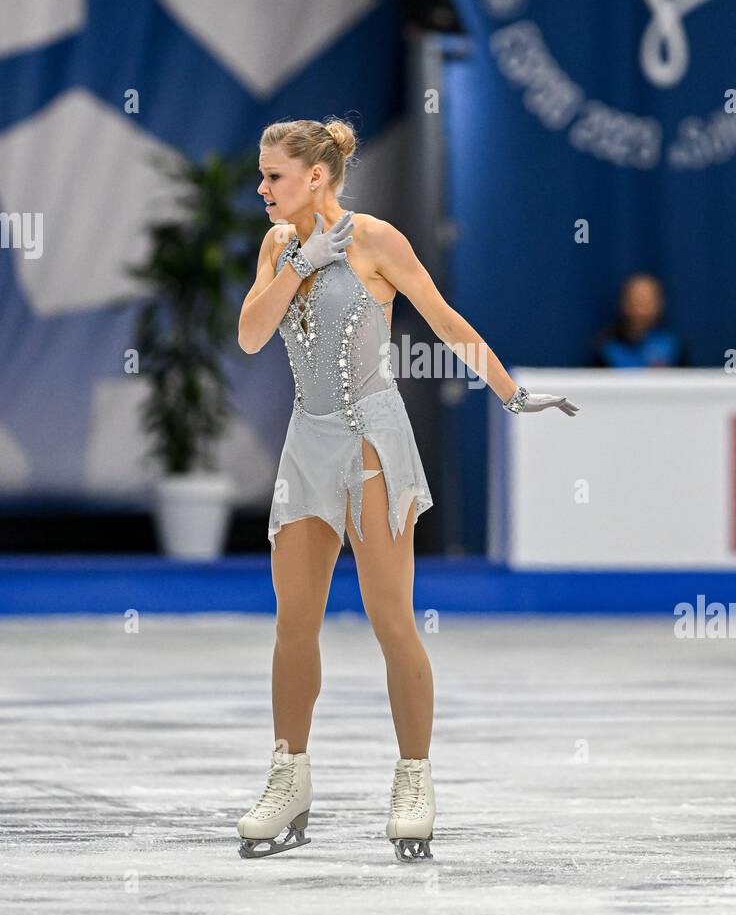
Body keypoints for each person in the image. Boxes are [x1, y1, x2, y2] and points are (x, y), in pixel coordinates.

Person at [236, 116, 578, 862]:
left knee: (392, 620)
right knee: (294, 624)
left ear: (316, 176)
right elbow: (251, 335)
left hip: (370, 443)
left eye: (274, 176)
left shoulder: (378, 241)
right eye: (262, 176)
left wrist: (511, 393)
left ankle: (415, 778)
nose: (261, 189)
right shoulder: (275, 245)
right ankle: (290, 776)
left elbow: (446, 321)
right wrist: (298, 263)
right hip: (308, 444)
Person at [590, 272, 690, 369]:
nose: (643, 306)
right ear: (624, 302)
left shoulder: (673, 345)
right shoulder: (606, 349)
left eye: (649, 299)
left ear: (660, 303)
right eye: (637, 299)